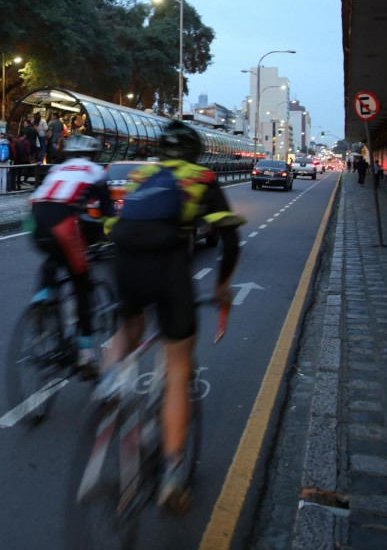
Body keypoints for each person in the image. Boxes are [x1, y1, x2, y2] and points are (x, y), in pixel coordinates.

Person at [104, 121, 242, 515]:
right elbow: (229, 238)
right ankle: (172, 472)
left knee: (127, 331)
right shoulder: (201, 176)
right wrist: (222, 287)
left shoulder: (142, 174)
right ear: (196, 153)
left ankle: (111, 385)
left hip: (125, 265)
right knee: (178, 367)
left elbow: (116, 225)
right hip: (168, 272)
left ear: (161, 150)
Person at [27, 133, 115, 378]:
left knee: (53, 257)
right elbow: (107, 211)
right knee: (82, 285)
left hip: (35, 222)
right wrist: (112, 233)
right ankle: (86, 357)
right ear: (93, 155)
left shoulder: (57, 169)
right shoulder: (96, 171)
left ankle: (42, 300)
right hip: (63, 222)